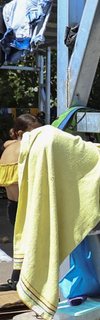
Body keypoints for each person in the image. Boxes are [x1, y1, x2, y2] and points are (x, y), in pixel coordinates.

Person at [0, 114, 43, 291]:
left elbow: (8, 143)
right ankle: (23, 282)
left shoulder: (9, 147)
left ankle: (16, 279)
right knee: (33, 246)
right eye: (34, 131)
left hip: (13, 207)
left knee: (22, 245)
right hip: (25, 207)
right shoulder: (25, 149)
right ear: (20, 132)